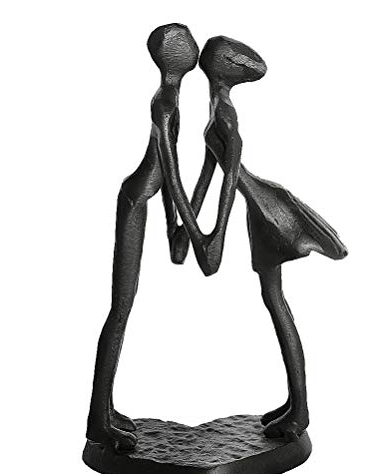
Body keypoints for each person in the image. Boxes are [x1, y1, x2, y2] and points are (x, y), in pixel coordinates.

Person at [172, 36, 348, 441]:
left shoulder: (224, 113)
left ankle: (300, 411)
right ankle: (295, 404)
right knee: (275, 301)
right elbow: (210, 173)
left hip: (266, 211)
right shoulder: (216, 108)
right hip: (259, 208)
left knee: (276, 302)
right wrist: (193, 221)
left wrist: (214, 233)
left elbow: (231, 177)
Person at [86, 23, 238, 450]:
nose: (192, 47)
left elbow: (169, 178)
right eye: (185, 42)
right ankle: (97, 420)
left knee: (121, 311)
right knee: (120, 310)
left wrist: (177, 225)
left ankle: (104, 410)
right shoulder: (165, 103)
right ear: (172, 54)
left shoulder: (171, 97)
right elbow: (169, 171)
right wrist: (196, 231)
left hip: (144, 199)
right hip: (135, 203)